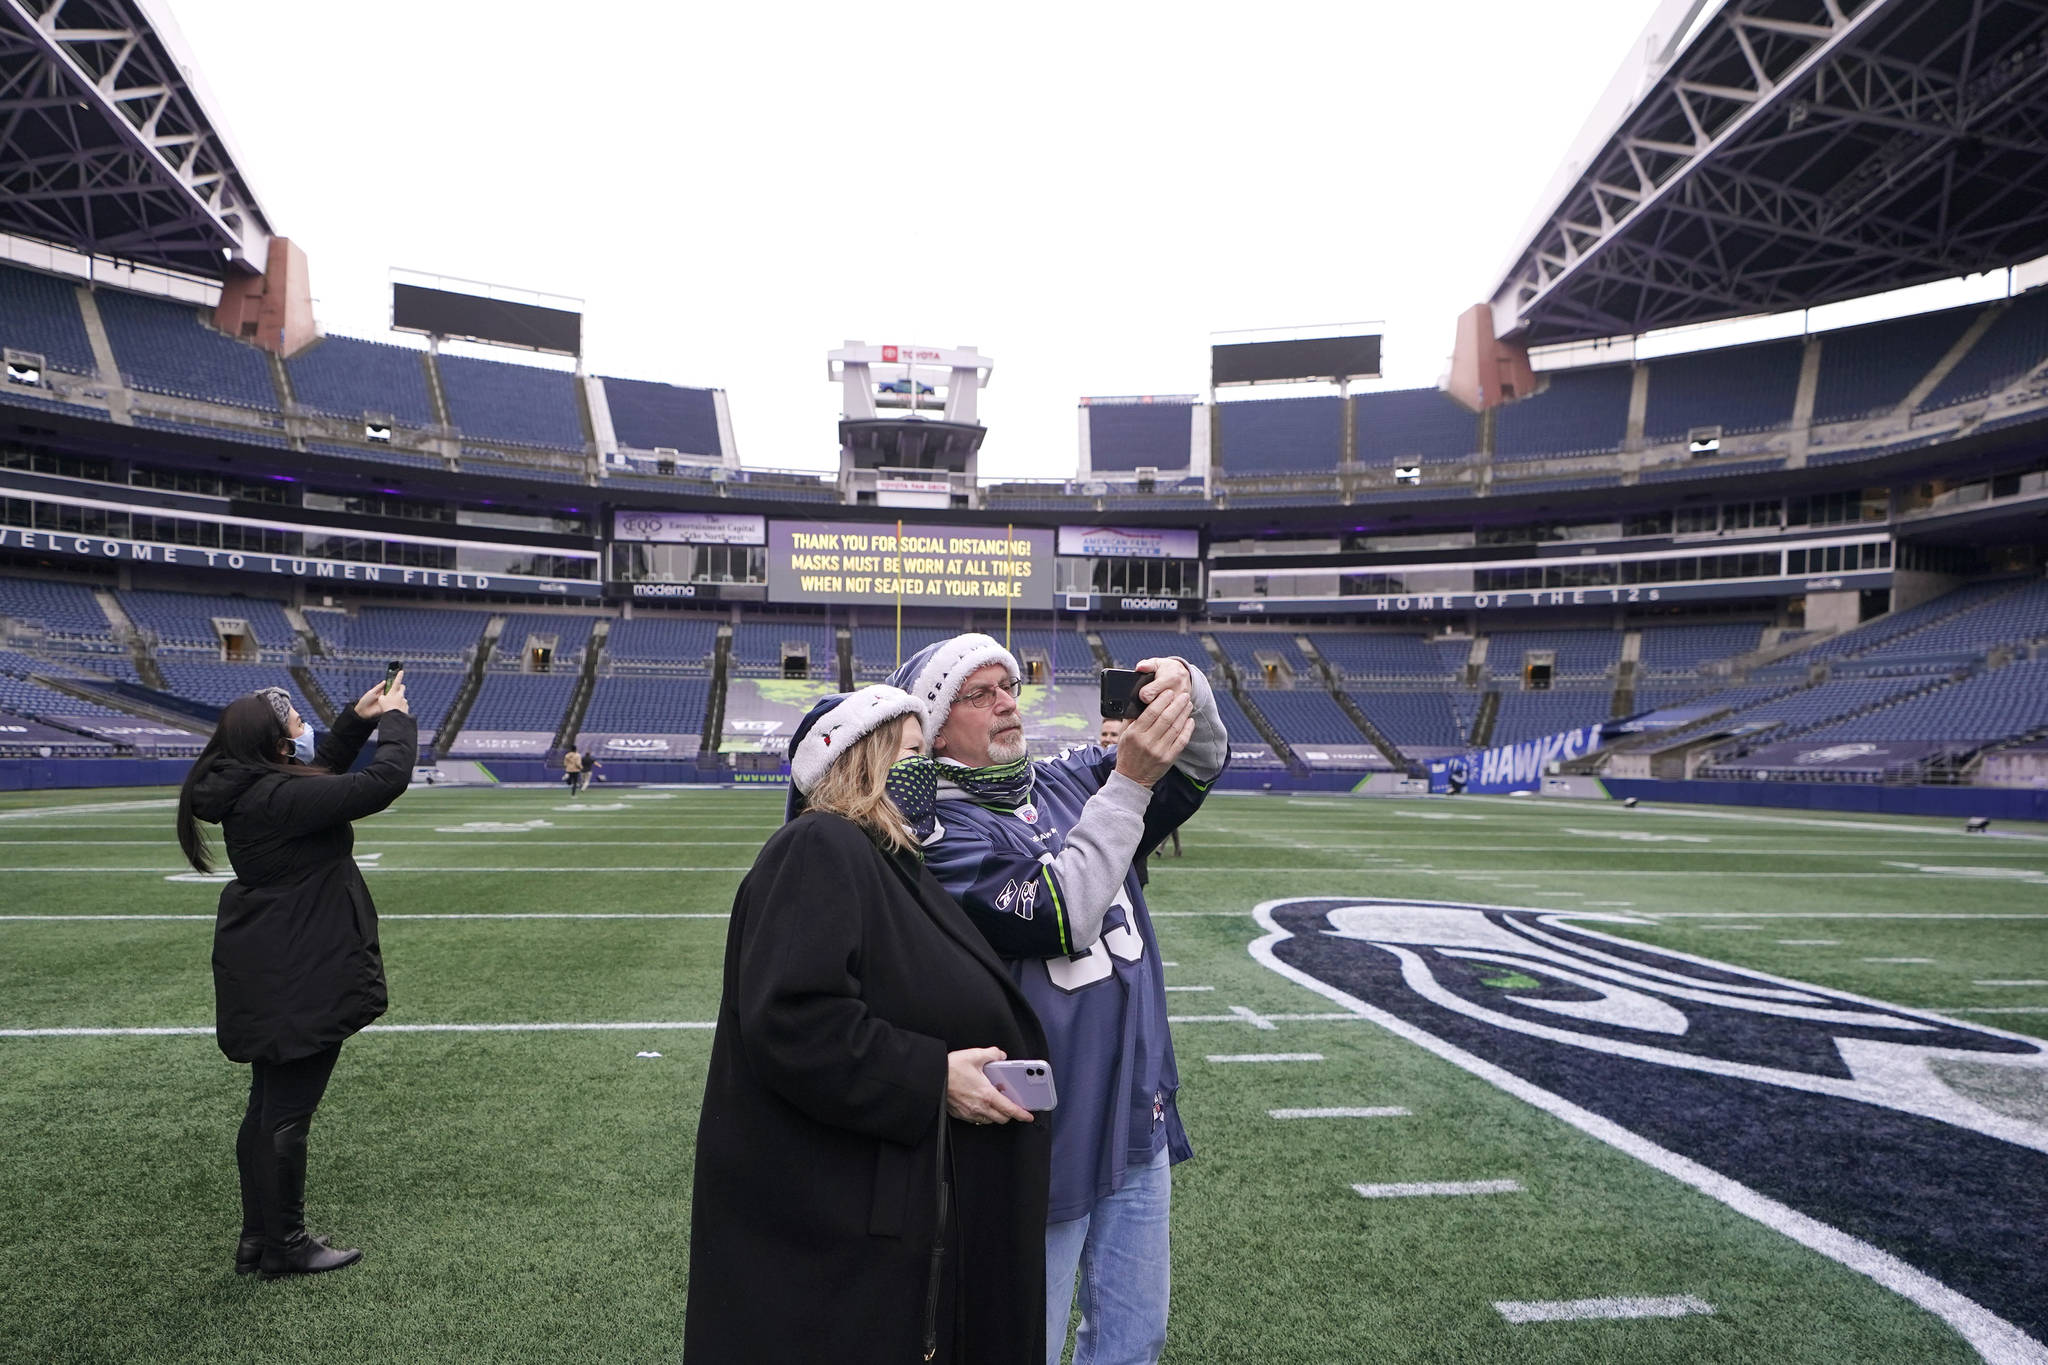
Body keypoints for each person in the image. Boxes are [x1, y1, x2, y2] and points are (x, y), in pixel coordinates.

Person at [685, 685, 1051, 1364]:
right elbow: (795, 1021)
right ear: (864, 758)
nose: (927, 771)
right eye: (912, 752)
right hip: (851, 1239)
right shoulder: (820, 845)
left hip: (890, 1219)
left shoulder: (891, 862)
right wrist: (932, 1077)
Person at [890, 636, 1227, 1365]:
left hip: (1136, 1111)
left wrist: (1187, 685)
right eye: (979, 694)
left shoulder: (1068, 779)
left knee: (1135, 1339)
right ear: (937, 723)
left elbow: (1199, 761)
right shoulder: (935, 833)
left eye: (1009, 685)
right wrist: (1130, 784)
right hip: (1038, 1133)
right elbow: (1060, 915)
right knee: (1022, 1344)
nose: (1007, 701)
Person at [176, 678, 416, 1280]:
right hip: (298, 963)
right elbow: (378, 783)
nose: (304, 734)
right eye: (295, 728)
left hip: (277, 957)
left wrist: (355, 721)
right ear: (277, 747)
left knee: (268, 1106)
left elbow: (320, 772)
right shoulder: (273, 797)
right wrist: (396, 721)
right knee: (285, 1110)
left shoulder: (254, 786)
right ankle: (284, 1244)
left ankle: (260, 1239)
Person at [1097, 718, 1181, 886]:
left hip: (1131, 865)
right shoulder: (1090, 768)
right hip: (1095, 866)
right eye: (1104, 734)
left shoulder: (1145, 770)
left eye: (1114, 734)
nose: (1107, 738)